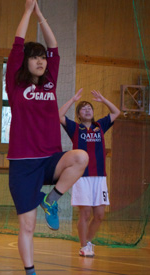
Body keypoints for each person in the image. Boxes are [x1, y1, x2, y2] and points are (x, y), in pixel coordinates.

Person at [5, 1, 89, 274]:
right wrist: (27, 12)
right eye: (34, 57)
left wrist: (41, 15)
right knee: (27, 225)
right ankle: (30, 271)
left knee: (80, 156)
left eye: (42, 57)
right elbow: (18, 44)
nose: (41, 61)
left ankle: (51, 199)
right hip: (23, 165)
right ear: (25, 62)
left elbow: (54, 48)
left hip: (50, 159)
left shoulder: (51, 80)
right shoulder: (15, 85)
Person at [59, 88, 120, 257]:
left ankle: (89, 242)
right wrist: (72, 100)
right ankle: (84, 246)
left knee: (100, 215)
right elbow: (59, 115)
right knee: (85, 213)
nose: (87, 109)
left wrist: (104, 99)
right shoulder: (75, 128)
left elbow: (116, 112)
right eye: (83, 108)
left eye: (89, 108)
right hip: (82, 177)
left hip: (100, 177)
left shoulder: (100, 126)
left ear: (93, 112)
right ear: (79, 115)